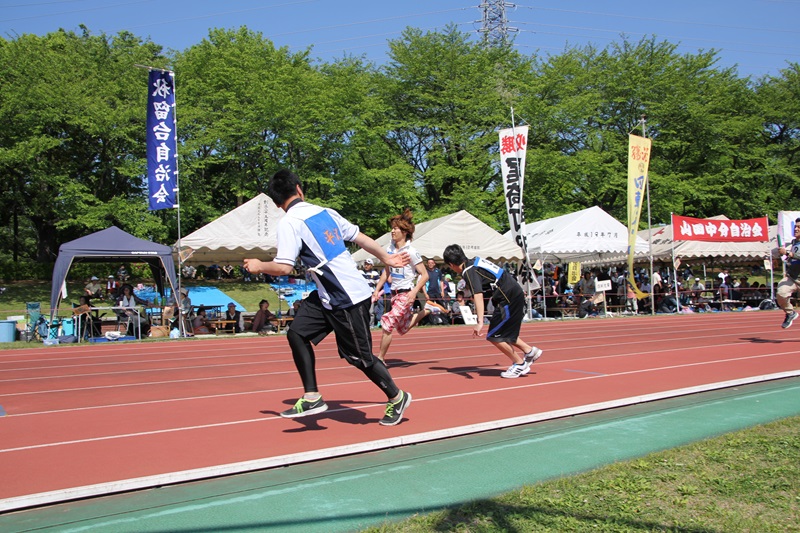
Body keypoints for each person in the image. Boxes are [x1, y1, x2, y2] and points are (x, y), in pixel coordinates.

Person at [243, 169, 413, 426]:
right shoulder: (326, 212)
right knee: (297, 333)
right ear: (300, 189)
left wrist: (259, 265)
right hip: (327, 295)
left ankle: (397, 396)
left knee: (359, 358)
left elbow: (284, 267)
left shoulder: (289, 223)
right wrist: (387, 258)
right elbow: (361, 238)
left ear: (278, 204)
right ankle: (312, 395)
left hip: (346, 296)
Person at [443, 244, 543, 379]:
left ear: (451, 264)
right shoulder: (474, 262)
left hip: (508, 297)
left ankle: (519, 364)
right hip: (512, 292)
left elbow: (477, 295)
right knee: (504, 331)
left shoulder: (468, 271)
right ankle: (529, 351)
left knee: (494, 335)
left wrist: (479, 322)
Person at [371, 208, 428, 362]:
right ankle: (427, 311)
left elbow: (425, 274)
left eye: (396, 228)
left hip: (405, 293)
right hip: (394, 294)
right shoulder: (389, 249)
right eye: (392, 228)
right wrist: (377, 290)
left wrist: (414, 291)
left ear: (404, 232)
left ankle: (380, 359)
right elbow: (386, 272)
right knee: (402, 328)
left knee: (388, 324)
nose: (392, 231)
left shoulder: (411, 252)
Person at [777, 220, 800, 329]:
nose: (796, 229)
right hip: (793, 277)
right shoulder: (794, 242)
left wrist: (787, 253)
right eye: (795, 227)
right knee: (781, 293)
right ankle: (790, 313)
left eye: (799, 227)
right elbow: (793, 256)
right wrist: (786, 256)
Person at [360, 258, 381, 326]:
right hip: (362, 294)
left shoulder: (374, 273)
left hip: (371, 294)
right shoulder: (360, 272)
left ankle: (371, 324)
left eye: (368, 264)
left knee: (371, 311)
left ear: (372, 265)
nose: (366, 266)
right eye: (365, 264)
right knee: (362, 310)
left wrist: (377, 293)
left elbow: (378, 284)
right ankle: (363, 324)